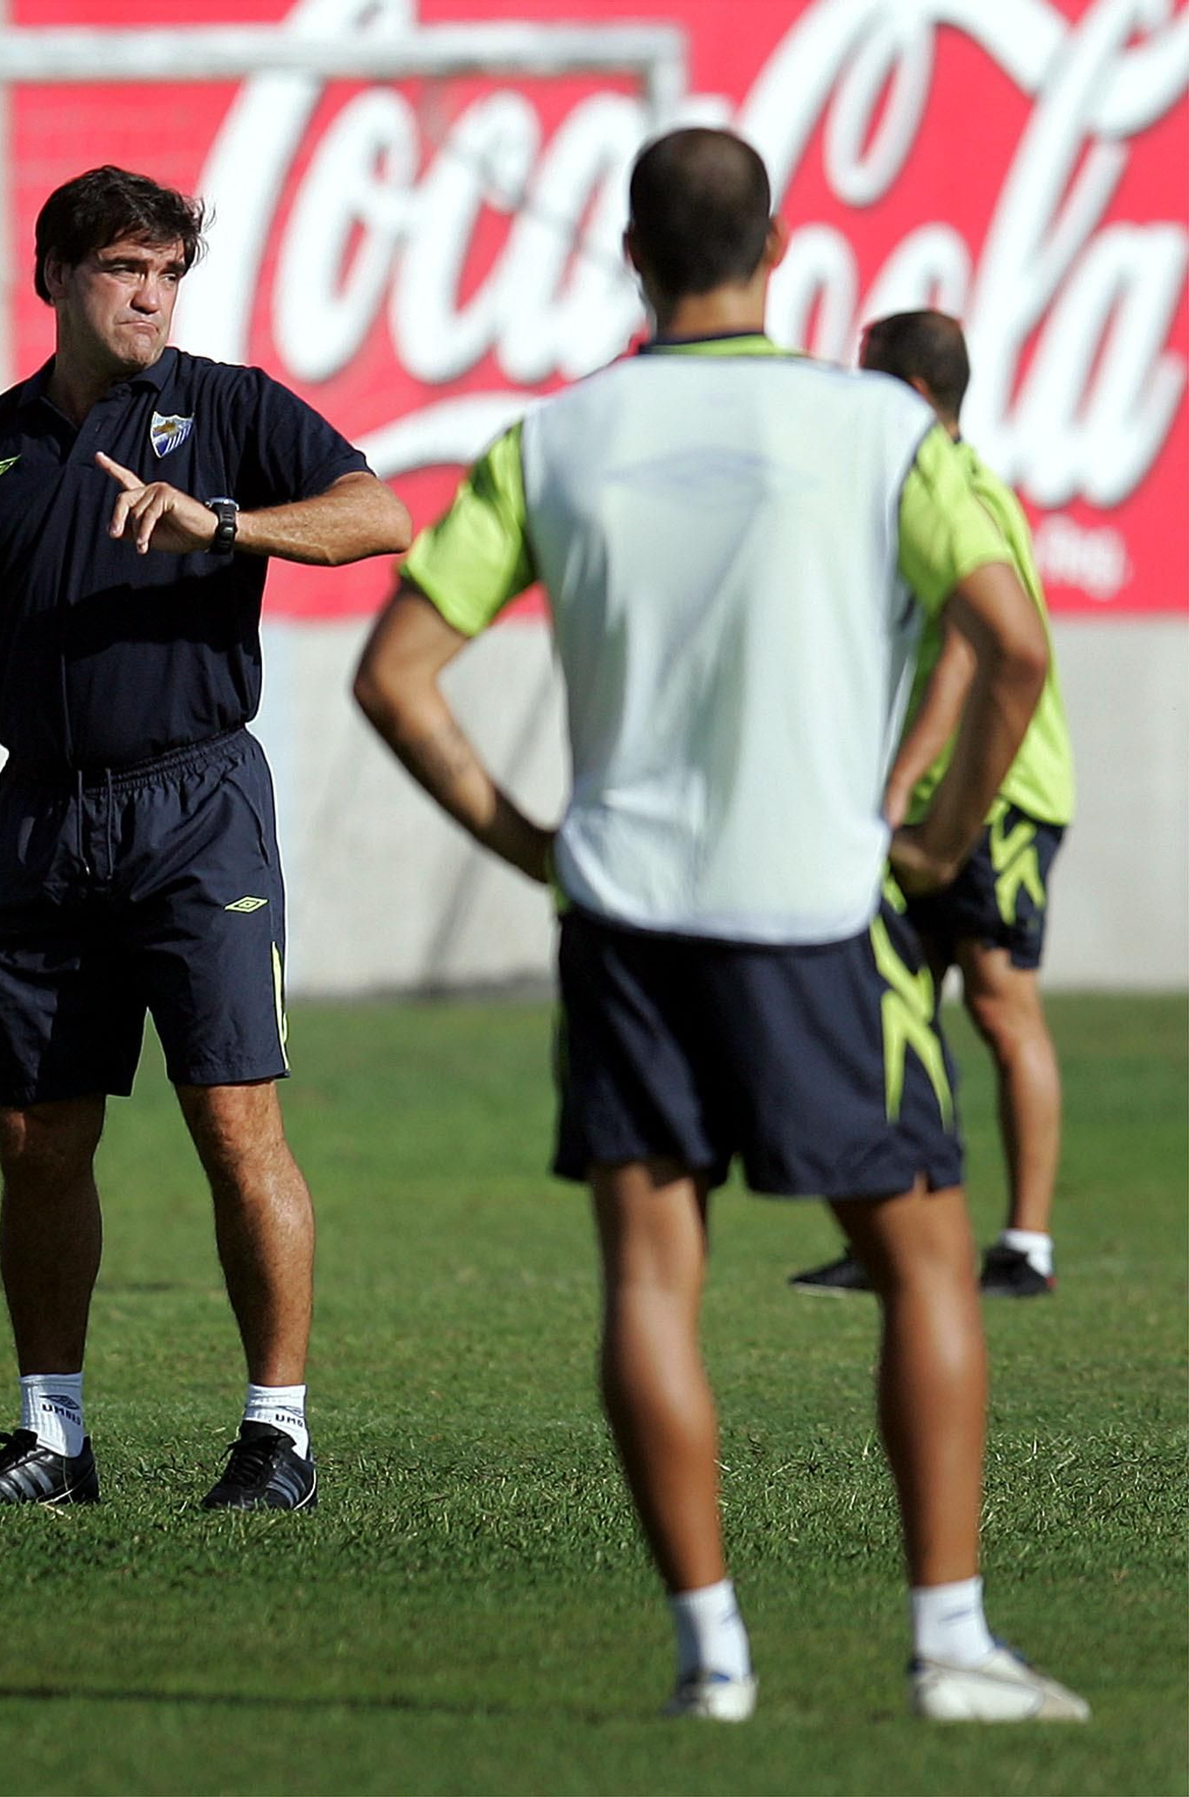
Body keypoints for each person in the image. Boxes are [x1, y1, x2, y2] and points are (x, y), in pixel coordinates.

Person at [353, 129, 1088, 1721]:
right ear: (777, 249)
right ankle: (951, 1646)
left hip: (627, 915)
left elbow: (393, 677)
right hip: (823, 911)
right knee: (930, 1265)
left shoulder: (553, 439)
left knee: (647, 1281)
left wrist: (533, 842)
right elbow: (1013, 648)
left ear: (630, 253)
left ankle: (714, 1661)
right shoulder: (881, 426)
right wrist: (944, 837)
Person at [0, 166, 409, 1511]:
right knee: (35, 1138)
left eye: (168, 271)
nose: (151, 294)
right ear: (56, 278)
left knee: (234, 1123)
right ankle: (53, 1438)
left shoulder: (230, 407)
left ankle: (277, 1438)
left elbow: (382, 514)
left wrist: (227, 522)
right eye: (124, 269)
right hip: (38, 818)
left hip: (198, 807)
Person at [791, 311, 1074, 1301]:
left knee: (999, 1003)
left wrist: (900, 782)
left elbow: (973, 646)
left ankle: (1024, 1246)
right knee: (892, 1005)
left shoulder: (949, 482)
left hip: (994, 790)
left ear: (907, 396)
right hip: (932, 786)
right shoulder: (922, 484)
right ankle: (897, 1224)